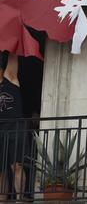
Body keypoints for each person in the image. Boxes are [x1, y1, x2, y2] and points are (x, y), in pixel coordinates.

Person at [0, 52, 25, 200]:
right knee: (1, 170)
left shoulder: (10, 78)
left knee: (17, 166)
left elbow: (14, 53)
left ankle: (20, 199)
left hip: (15, 128)